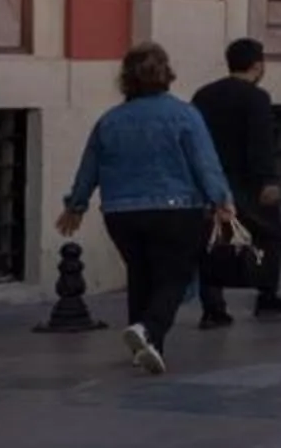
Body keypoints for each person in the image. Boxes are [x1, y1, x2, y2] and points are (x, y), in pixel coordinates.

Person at [57, 41, 237, 376]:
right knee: (175, 275)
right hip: (176, 209)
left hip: (120, 213)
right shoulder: (184, 115)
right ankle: (148, 331)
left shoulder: (110, 120)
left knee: (141, 274)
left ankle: (147, 348)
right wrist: (222, 200)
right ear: (166, 74)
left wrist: (76, 205)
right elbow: (205, 163)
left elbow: (89, 166)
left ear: (126, 79)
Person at [191, 38, 281, 325]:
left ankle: (213, 307)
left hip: (210, 178)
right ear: (258, 65)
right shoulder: (256, 97)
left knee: (213, 239)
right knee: (270, 234)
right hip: (247, 181)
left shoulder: (204, 94)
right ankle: (267, 294)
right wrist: (268, 180)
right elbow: (260, 142)